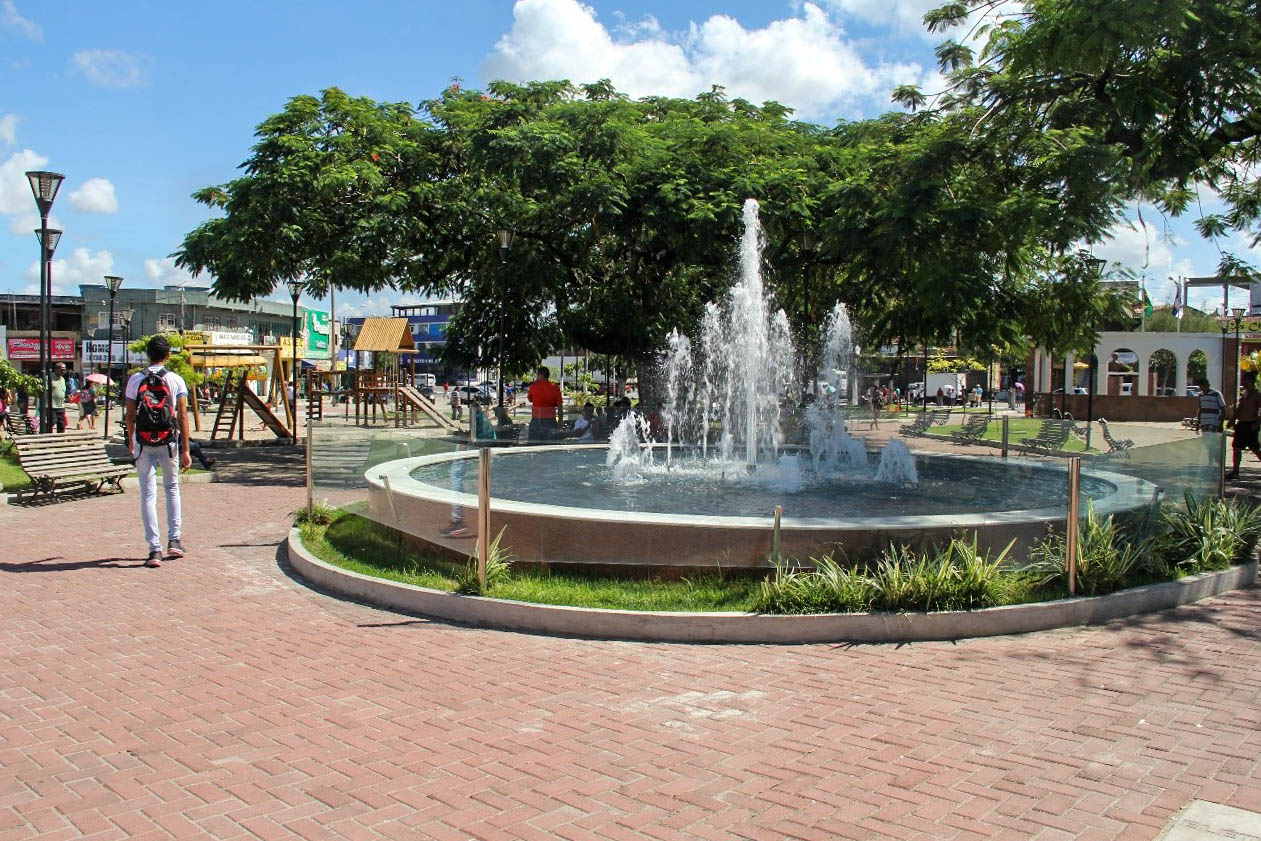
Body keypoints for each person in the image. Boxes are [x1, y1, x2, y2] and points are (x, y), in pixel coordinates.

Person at [124, 335, 191, 567]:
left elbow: (130, 415)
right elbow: (182, 416)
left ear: (147, 354)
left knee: (148, 495)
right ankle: (174, 539)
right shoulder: (176, 380)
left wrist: (132, 440)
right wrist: (185, 450)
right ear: (168, 355)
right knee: (172, 489)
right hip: (168, 442)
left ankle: (154, 550)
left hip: (143, 442)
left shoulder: (135, 380)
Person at [1226, 371, 1261, 480]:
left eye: (1245, 380)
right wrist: (1232, 420)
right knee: (1236, 447)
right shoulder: (1244, 395)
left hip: (1251, 425)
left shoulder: (1257, 395)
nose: (1243, 383)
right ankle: (1235, 472)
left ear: (1250, 381)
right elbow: (1240, 409)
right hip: (1241, 424)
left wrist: (1257, 423)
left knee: (1255, 449)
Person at [527, 366, 563, 443]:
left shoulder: (533, 386)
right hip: (550, 421)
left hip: (537, 420)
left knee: (533, 445)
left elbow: (530, 399)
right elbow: (560, 406)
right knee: (550, 445)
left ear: (540, 375)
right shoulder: (555, 387)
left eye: (537, 375)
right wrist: (560, 420)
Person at [48, 362, 68, 433]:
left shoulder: (63, 379)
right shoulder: (50, 378)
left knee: (62, 423)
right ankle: (48, 437)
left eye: (64, 369)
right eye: (62, 369)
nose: (64, 371)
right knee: (52, 422)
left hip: (61, 406)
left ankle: (60, 438)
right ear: (56, 369)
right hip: (52, 406)